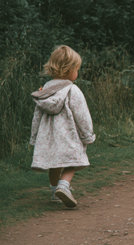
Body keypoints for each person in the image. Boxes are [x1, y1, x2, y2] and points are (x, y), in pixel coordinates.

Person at [30, 45, 95, 208]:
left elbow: (36, 116)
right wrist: (87, 135)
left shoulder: (44, 90)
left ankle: (54, 192)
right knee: (74, 160)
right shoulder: (72, 90)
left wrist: (34, 136)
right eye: (77, 69)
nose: (77, 73)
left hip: (48, 137)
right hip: (68, 136)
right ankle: (64, 186)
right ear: (69, 70)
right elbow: (82, 115)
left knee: (55, 163)